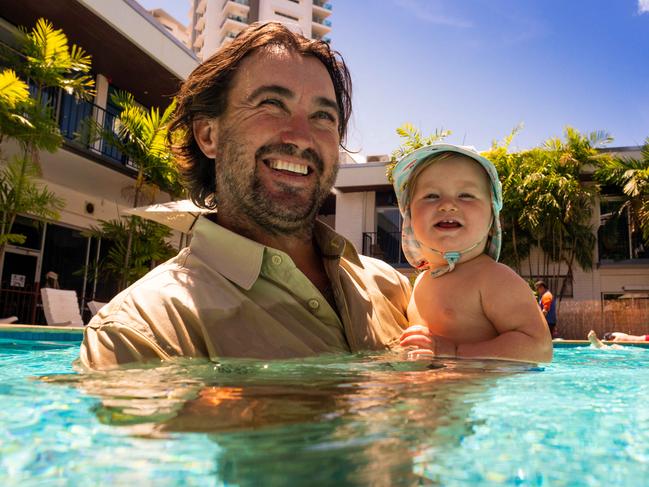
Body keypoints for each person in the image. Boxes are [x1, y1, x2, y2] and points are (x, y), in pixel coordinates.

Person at [79, 22, 411, 369]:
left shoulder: (391, 288)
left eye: (322, 116)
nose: (301, 136)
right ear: (208, 135)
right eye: (271, 103)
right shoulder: (144, 331)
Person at [392, 144, 553, 363]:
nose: (447, 205)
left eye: (466, 195)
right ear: (409, 216)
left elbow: (539, 349)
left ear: (492, 216)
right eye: (431, 196)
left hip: (481, 395)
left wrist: (455, 352)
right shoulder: (420, 282)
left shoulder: (493, 278)